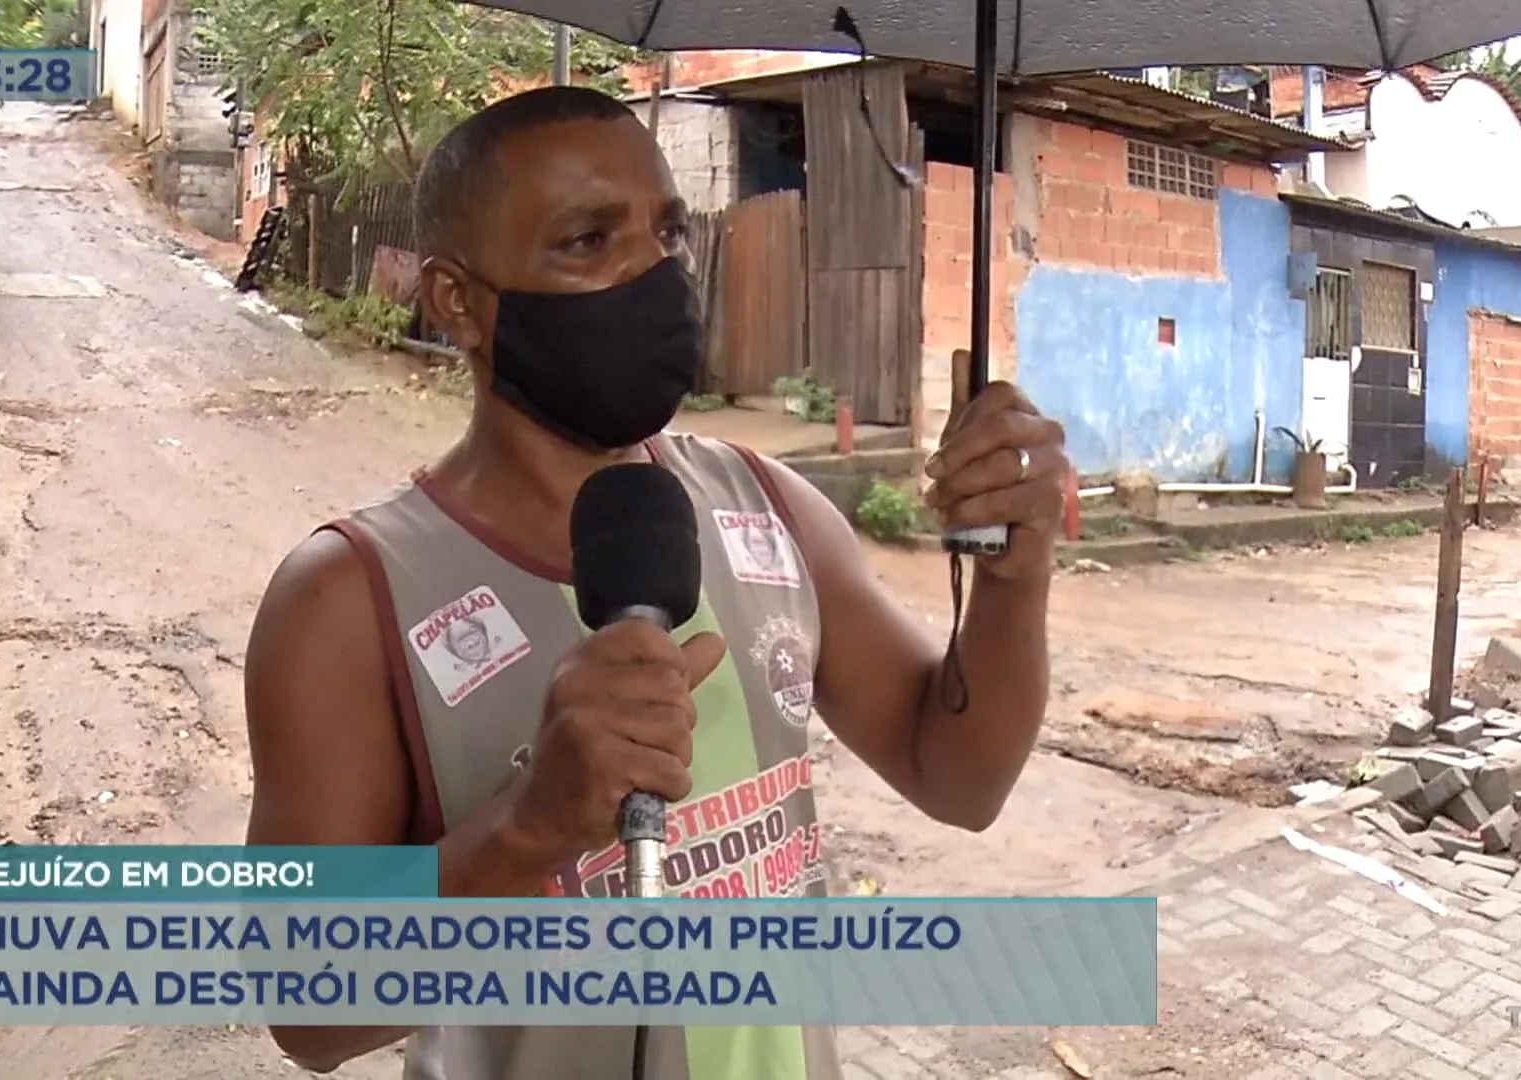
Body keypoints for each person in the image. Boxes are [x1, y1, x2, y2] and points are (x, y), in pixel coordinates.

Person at [242, 85, 1068, 1080]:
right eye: (589, 240)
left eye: (668, 233)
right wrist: (528, 829)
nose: (656, 272)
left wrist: (1016, 582)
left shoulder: (769, 506)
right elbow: (305, 1007)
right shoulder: (349, 598)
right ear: (459, 301)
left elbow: (961, 777)